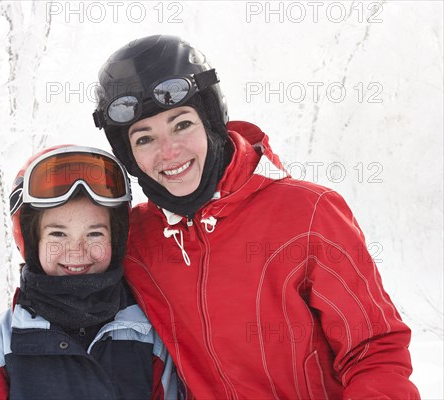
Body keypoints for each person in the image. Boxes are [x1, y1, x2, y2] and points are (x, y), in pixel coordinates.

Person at [93, 35, 420, 399]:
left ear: (211, 121)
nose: (169, 152)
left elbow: (374, 349)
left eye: (182, 124)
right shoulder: (135, 239)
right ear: (128, 154)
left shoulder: (307, 213)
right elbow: (62, 296)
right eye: (144, 139)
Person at [0, 145, 178, 399]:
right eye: (58, 234)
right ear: (32, 240)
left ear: (116, 240)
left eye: (94, 233)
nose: (76, 251)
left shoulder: (148, 337)